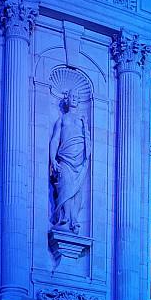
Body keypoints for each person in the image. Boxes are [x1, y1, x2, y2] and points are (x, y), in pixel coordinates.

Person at [48, 90, 90, 234]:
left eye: (76, 97)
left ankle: (74, 220)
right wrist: (52, 158)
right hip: (65, 158)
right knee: (65, 185)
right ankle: (64, 218)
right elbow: (55, 139)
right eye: (72, 96)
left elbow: (87, 141)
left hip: (79, 160)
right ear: (67, 100)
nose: (74, 99)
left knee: (77, 189)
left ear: (78, 101)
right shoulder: (62, 119)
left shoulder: (82, 120)